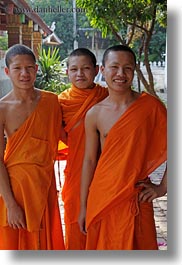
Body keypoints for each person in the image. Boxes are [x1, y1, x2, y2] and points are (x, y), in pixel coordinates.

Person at [78, 44, 167, 250]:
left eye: (127, 68)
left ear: (134, 71)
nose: (120, 73)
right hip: (103, 195)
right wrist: (83, 206)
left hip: (136, 195)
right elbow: (90, 161)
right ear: (102, 70)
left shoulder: (150, 107)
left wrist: (162, 187)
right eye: (114, 67)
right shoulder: (95, 114)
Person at [0, 44, 65, 250]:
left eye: (29, 68)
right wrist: (10, 204)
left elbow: (69, 136)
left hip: (44, 183)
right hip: (16, 188)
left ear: (37, 69)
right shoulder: (2, 108)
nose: (24, 73)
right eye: (18, 68)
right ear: (7, 72)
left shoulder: (51, 101)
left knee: (43, 243)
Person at [58, 48, 108, 250]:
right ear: (67, 72)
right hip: (76, 175)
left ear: (96, 70)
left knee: (104, 227)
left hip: (106, 173)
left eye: (86, 68)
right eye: (74, 69)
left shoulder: (107, 96)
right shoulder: (60, 103)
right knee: (76, 228)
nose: (80, 74)